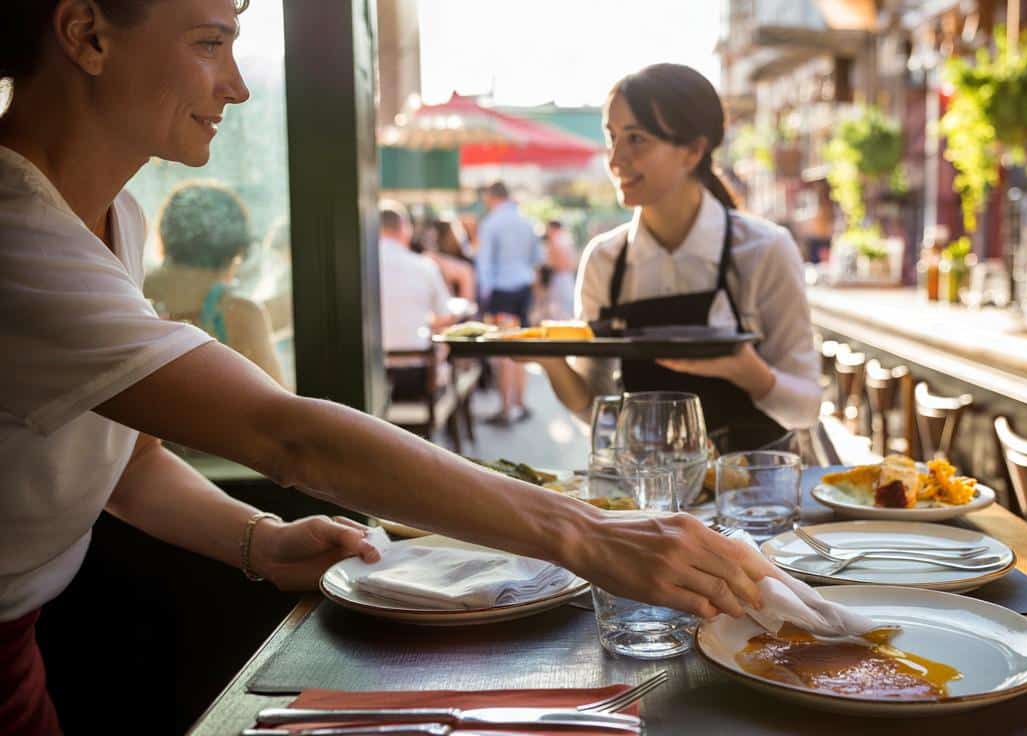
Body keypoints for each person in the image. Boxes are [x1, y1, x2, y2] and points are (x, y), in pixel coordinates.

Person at [0, 3, 770, 732]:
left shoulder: (116, 216)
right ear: (87, 34)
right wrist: (594, 537)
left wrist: (259, 540)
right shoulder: (20, 236)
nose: (235, 85)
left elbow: (131, 460)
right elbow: (288, 437)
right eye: (209, 43)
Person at [533, 64, 822, 453]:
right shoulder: (604, 260)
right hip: (646, 483)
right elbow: (594, 407)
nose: (615, 159)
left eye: (636, 139)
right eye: (612, 137)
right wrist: (548, 358)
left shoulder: (764, 250)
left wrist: (749, 372)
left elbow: (805, 409)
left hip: (754, 484)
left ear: (693, 151)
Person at [143, 181, 286, 387]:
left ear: (164, 239)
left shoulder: (133, 293)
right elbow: (278, 398)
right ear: (236, 251)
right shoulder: (241, 314)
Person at [474, 181, 541, 425]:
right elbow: (536, 259)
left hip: (501, 290)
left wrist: (483, 298)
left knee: (504, 351)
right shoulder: (526, 222)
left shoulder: (491, 223)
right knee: (521, 348)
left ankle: (505, 409)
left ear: (491, 197)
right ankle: (520, 403)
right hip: (523, 289)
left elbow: (484, 264)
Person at [379, 200, 453, 352]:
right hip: (417, 358)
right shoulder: (425, 266)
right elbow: (445, 315)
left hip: (373, 359)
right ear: (405, 229)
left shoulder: (364, 268)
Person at [539, 219, 577, 321]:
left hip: (560, 277)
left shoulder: (556, 241)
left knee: (559, 310)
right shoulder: (566, 239)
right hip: (565, 277)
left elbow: (556, 263)